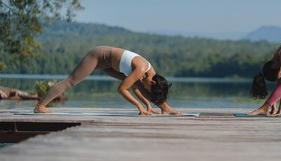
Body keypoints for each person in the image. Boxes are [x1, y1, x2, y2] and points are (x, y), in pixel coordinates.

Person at [34, 46, 180, 115]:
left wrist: (148, 104)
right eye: (149, 89)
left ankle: (164, 107)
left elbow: (136, 86)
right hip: (97, 57)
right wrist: (139, 106)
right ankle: (40, 105)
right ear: (152, 82)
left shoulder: (149, 74)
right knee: (71, 81)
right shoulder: (142, 69)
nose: (147, 89)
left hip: (110, 65)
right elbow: (122, 89)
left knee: (138, 85)